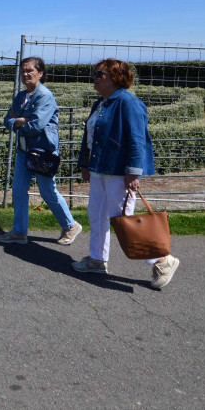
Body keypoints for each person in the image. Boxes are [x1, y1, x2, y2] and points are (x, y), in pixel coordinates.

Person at [71, 58, 180, 289]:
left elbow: (137, 140)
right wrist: (85, 164)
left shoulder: (128, 102)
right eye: (95, 74)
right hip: (100, 169)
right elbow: (88, 138)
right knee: (96, 216)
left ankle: (162, 260)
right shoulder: (101, 103)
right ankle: (97, 260)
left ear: (115, 77)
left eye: (99, 74)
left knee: (125, 222)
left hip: (120, 173)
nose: (95, 78)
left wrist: (133, 172)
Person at [0, 57, 82, 246]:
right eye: (23, 71)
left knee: (47, 191)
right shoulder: (20, 96)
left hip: (43, 150)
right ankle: (19, 232)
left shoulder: (44, 96)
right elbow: (7, 120)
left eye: (30, 70)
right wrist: (20, 120)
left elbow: (36, 125)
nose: (25, 74)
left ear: (40, 73)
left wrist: (18, 120)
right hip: (24, 149)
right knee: (18, 190)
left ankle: (70, 226)